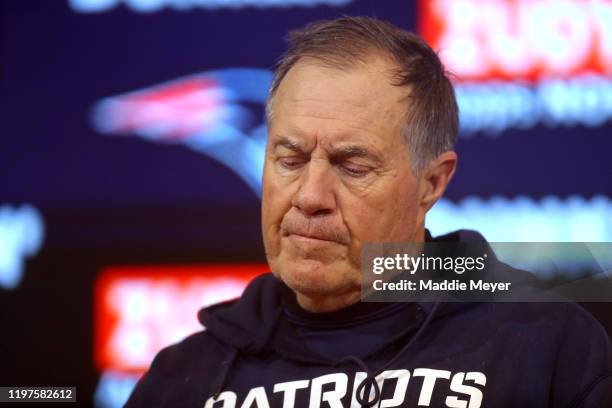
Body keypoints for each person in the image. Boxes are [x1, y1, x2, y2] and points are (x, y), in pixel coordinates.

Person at [125, 16, 611, 407]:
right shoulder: (182, 378)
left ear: (432, 182)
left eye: (352, 166)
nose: (310, 196)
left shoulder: (547, 349)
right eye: (289, 159)